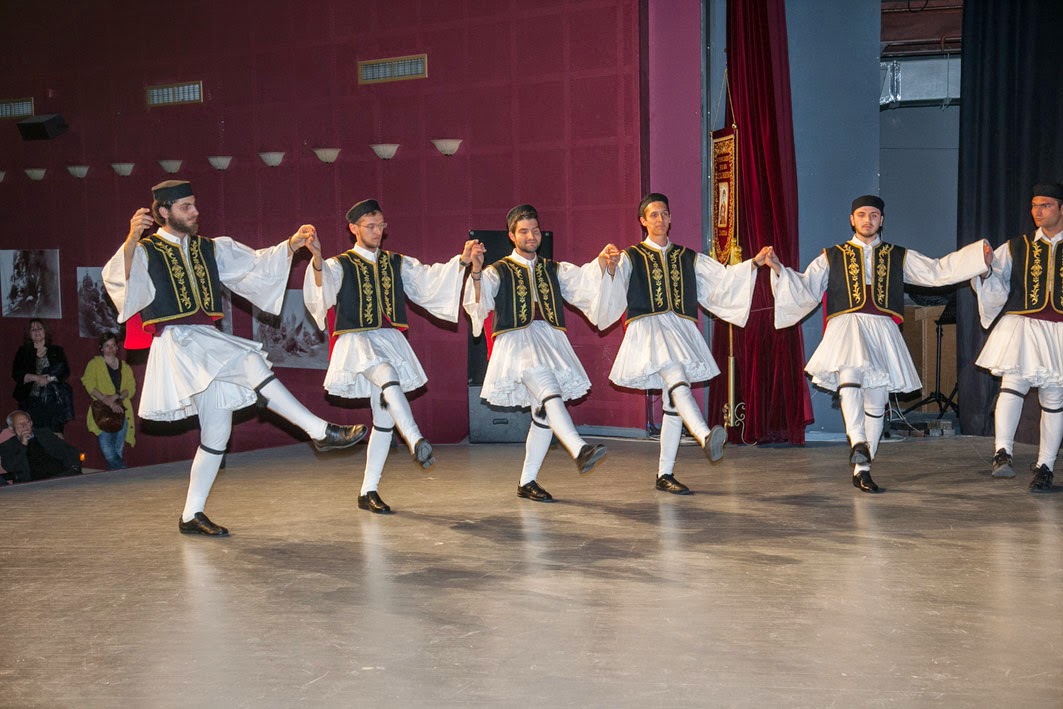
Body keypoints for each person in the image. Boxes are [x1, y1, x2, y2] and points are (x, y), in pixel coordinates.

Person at [102, 180, 367, 537]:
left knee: (217, 433)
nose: (195, 212)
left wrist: (292, 245)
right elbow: (120, 281)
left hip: (205, 341)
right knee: (250, 361)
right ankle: (319, 431)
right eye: (186, 207)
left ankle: (191, 515)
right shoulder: (146, 250)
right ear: (163, 212)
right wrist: (132, 239)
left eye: (194, 204)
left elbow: (253, 266)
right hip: (179, 343)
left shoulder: (209, 248)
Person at [767, 195, 991, 492]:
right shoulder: (831, 256)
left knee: (876, 398)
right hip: (848, 324)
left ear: (881, 220)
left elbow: (936, 271)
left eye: (874, 215)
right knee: (849, 376)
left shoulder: (898, 255)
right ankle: (858, 441)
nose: (868, 220)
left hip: (882, 328)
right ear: (852, 219)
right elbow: (806, 287)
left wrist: (976, 258)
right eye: (862, 214)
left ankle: (863, 468)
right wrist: (779, 270)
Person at [303, 199, 486, 514]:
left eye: (380, 225)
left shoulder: (397, 263)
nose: (377, 231)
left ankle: (368, 491)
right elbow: (322, 293)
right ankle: (415, 439)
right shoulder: (340, 264)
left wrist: (461, 261)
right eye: (370, 226)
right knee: (387, 374)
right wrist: (317, 260)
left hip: (388, 339)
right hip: (357, 341)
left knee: (383, 419)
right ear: (353, 228)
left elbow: (429, 282)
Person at [593, 193, 772, 495]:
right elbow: (613, 287)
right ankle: (703, 435)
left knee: (673, 403)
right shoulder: (630, 257)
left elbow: (723, 280)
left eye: (664, 213)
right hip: (650, 330)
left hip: (680, 330)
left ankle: (665, 474)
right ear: (643, 221)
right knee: (677, 377)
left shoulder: (688, 257)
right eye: (653, 215)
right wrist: (609, 268)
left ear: (671, 218)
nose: (660, 219)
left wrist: (753, 263)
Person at [464, 204, 607, 503]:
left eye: (535, 230)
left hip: (549, 340)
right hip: (517, 343)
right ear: (511, 235)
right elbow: (478, 303)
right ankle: (578, 448)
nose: (531, 236)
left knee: (542, 414)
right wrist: (476, 270)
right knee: (548, 390)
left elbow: (586, 282)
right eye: (524, 231)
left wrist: (603, 263)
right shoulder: (498, 270)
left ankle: (527, 482)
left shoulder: (553, 269)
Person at [973, 182, 1063, 493]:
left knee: (1054, 397)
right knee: (1011, 386)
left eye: (1046, 205)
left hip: (1059, 330)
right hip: (1023, 326)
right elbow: (994, 279)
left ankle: (1046, 465)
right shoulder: (1017, 246)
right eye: (1034, 206)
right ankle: (1002, 452)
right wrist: (985, 270)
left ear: (1061, 209)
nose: (1038, 211)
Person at [81, 332, 136, 470]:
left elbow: (131, 389)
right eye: (107, 346)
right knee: (108, 451)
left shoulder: (125, 367)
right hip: (102, 412)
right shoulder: (94, 364)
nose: (110, 349)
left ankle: (116, 480)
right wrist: (107, 400)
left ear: (117, 347)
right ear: (101, 348)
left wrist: (116, 396)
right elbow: (89, 384)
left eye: (113, 345)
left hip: (122, 412)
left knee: (118, 449)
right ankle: (124, 472)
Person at [11, 318, 75, 434]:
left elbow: (65, 372)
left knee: (54, 436)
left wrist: (49, 379)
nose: (37, 331)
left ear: (45, 331)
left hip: (53, 401)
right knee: (31, 435)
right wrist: (36, 378)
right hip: (30, 401)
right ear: (29, 334)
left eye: (39, 328)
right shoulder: (23, 351)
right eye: (33, 329)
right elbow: (17, 374)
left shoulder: (56, 350)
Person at [0, 410, 81, 484]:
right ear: (11, 429)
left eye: (27, 422)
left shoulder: (44, 434)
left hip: (61, 474)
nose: (24, 426)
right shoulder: (7, 445)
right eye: (20, 424)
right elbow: (10, 467)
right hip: (35, 483)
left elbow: (69, 450)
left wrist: (74, 466)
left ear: (31, 423)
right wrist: (22, 445)